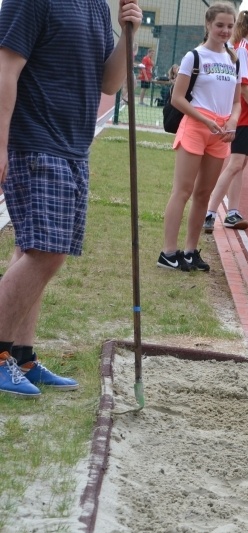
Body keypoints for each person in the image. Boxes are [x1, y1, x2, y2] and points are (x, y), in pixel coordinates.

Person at [0, 0, 143, 397]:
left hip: (73, 147)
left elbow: (108, 83)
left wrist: (127, 35)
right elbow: (5, 69)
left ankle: (21, 356)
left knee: (34, 251)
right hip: (34, 142)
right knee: (48, 251)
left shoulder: (96, 6)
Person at [158, 2, 241, 272]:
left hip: (221, 132)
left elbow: (237, 101)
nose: (225, 30)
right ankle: (169, 252)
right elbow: (178, 98)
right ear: (208, 25)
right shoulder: (194, 56)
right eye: (219, 25)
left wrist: (232, 120)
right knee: (183, 190)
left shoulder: (233, 58)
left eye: (229, 26)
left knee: (203, 194)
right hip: (196, 126)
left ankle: (191, 250)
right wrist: (205, 119)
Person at [204, 8, 248, 234]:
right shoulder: (241, 49)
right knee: (234, 165)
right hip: (243, 118)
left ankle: (232, 212)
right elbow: (242, 88)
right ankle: (209, 213)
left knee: (240, 165)